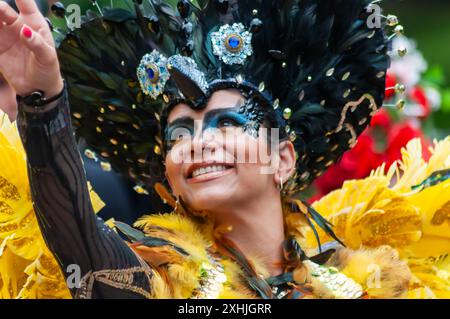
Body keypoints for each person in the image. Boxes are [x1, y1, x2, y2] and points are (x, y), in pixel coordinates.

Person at [0, 0, 448, 299]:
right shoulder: (159, 282)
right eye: (178, 135)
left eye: (227, 123)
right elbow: (79, 244)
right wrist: (43, 103)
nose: (197, 143)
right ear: (169, 176)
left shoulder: (367, 281)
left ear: (282, 157)